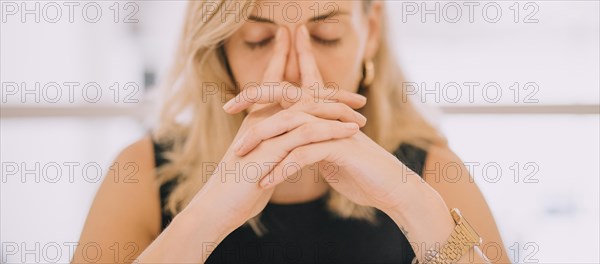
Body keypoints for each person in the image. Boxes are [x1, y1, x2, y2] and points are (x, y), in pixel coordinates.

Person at [72, 1, 511, 263]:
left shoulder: (431, 169)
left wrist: (413, 205)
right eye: (258, 40)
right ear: (221, 51)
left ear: (370, 33)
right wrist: (205, 218)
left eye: (325, 35)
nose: (299, 73)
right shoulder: (142, 172)